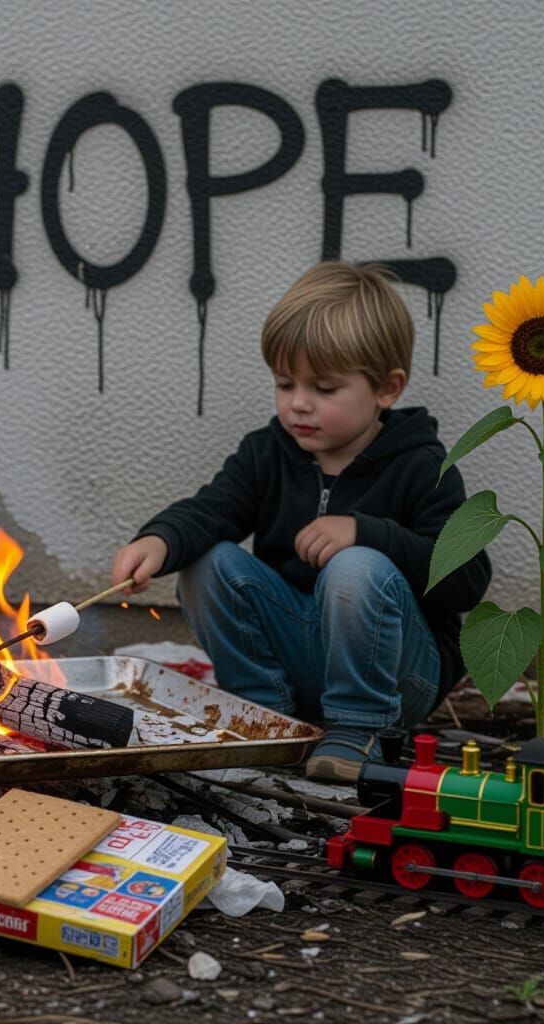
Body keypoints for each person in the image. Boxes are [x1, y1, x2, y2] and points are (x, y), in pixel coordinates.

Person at [112, 262, 490, 782]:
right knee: (209, 560)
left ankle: (361, 730)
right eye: (284, 383)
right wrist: (161, 538)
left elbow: (468, 579)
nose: (298, 404)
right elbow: (214, 508)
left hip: (399, 676)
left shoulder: (422, 464)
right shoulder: (268, 453)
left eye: (325, 388)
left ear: (387, 389)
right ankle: (265, 714)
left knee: (357, 567)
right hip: (299, 653)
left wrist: (366, 533)